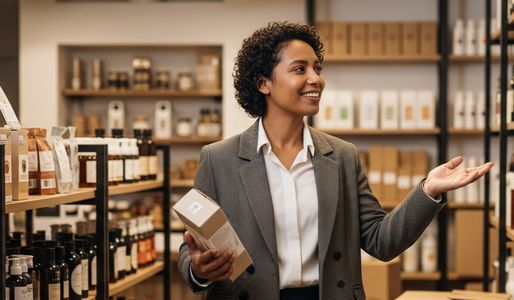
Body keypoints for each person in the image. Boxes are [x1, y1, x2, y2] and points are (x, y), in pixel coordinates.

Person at [177, 21, 493, 300]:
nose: (316, 79)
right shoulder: (219, 159)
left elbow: (380, 241)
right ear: (264, 82)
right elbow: (191, 248)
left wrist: (428, 190)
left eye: (317, 68)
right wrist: (199, 269)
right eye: (300, 69)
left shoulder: (342, 156)